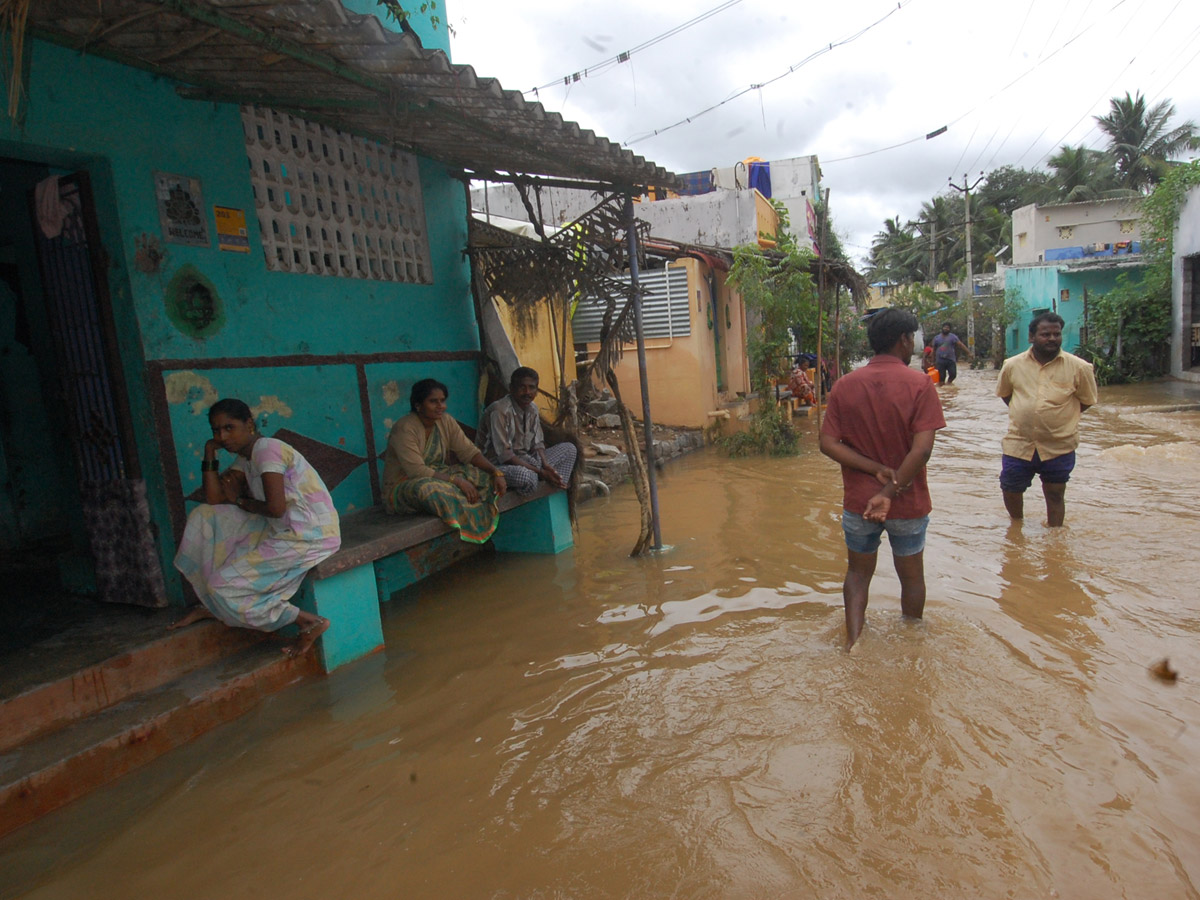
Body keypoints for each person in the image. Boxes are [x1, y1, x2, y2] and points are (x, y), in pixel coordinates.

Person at [171, 398, 341, 658]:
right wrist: (209, 453)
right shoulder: (247, 457)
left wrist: (240, 500)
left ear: (249, 424)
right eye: (216, 431)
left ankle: (307, 621)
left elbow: (276, 508)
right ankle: (213, 605)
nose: (223, 436)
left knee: (223, 585)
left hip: (309, 534)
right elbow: (215, 500)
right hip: (282, 527)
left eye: (229, 428)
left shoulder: (266, 449)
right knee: (205, 515)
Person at [819, 308, 947, 651]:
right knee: (911, 576)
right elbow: (921, 451)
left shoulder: (845, 385)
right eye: (914, 337)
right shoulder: (920, 384)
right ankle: (912, 644)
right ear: (904, 340)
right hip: (908, 502)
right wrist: (889, 488)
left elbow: (827, 444)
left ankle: (852, 642)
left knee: (857, 574)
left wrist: (872, 469)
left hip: (859, 503)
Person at [997, 312, 1098, 527]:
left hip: (1059, 444)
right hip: (1019, 442)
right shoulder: (1012, 365)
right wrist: (1028, 412)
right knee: (1010, 488)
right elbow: (1007, 395)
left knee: (1055, 494)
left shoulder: (1080, 367)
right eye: (1045, 334)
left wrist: (1060, 416)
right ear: (1031, 337)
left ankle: (1055, 538)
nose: (1052, 338)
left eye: (1057, 334)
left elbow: (1087, 401)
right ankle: (1017, 528)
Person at [381, 378, 508, 543]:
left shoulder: (445, 421)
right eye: (433, 401)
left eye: (442, 401)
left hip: (439, 473)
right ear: (418, 405)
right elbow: (416, 471)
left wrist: (495, 472)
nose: (440, 406)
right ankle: (467, 512)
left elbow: (469, 453)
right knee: (430, 489)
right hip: (403, 485)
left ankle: (472, 508)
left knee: (482, 476)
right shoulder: (405, 428)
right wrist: (458, 482)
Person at [476, 366, 577, 494]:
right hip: (495, 465)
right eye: (522, 387)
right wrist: (540, 471)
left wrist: (546, 465)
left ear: (536, 390)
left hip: (525, 460)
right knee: (526, 476)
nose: (527, 392)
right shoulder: (499, 411)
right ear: (512, 388)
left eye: (532, 387)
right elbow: (505, 456)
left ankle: (550, 484)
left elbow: (538, 444)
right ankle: (535, 480)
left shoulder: (532, 408)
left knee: (570, 449)